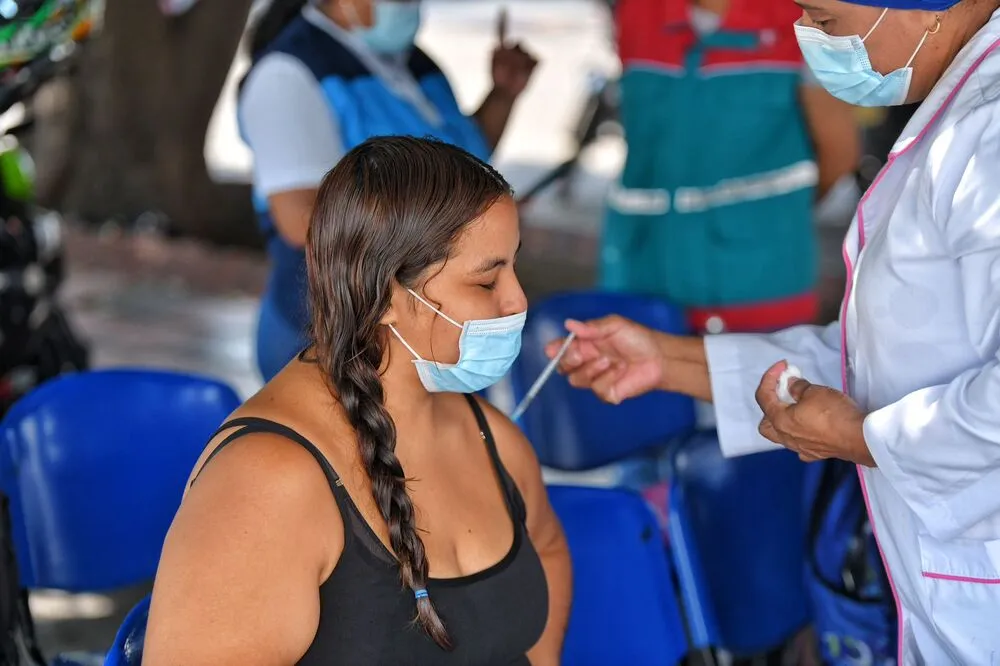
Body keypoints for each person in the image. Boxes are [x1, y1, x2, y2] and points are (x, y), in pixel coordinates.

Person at [549, 0, 1000, 661]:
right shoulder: (960, 110)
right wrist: (668, 362)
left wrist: (854, 435)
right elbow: (879, 362)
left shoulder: (988, 134)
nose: (810, 40)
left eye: (826, 19)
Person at [143, 138, 571, 666]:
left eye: (513, 268)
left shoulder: (488, 436)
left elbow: (547, 548)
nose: (518, 301)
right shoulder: (266, 482)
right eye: (486, 280)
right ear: (388, 296)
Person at [240, 0, 538, 381]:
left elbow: (462, 156)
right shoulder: (286, 75)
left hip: (430, 328)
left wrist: (502, 95)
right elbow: (300, 219)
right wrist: (461, 226)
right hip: (340, 330)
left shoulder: (416, 64)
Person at [603, 0, 860, 335]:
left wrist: (773, 215)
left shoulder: (804, 17)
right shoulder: (636, 11)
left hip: (760, 292)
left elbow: (839, 151)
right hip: (640, 282)